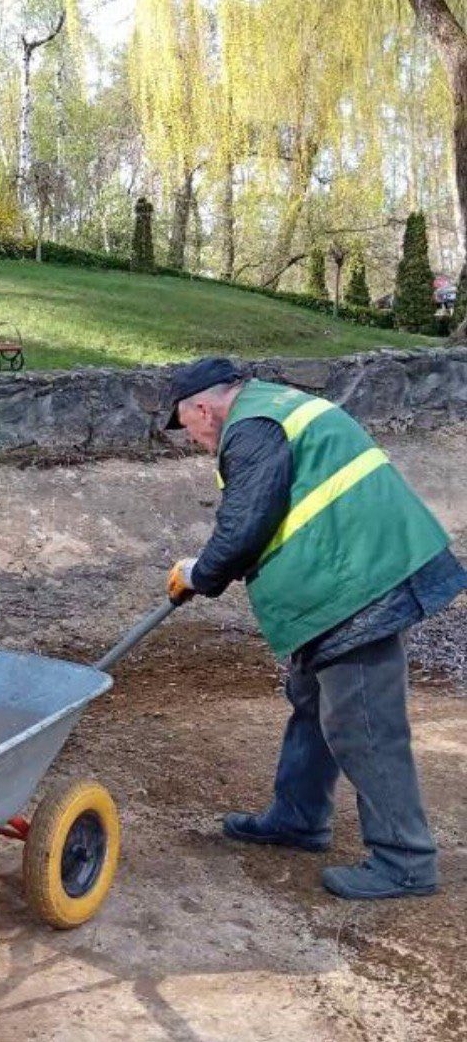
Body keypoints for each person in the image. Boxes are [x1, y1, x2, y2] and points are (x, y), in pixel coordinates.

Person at [165, 357, 465, 900]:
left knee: (364, 722)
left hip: (358, 583)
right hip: (344, 572)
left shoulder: (251, 429)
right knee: (310, 698)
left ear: (203, 408)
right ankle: (300, 817)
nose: (192, 440)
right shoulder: (271, 409)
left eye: (186, 427)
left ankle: (405, 860)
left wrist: (199, 573)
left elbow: (244, 525)